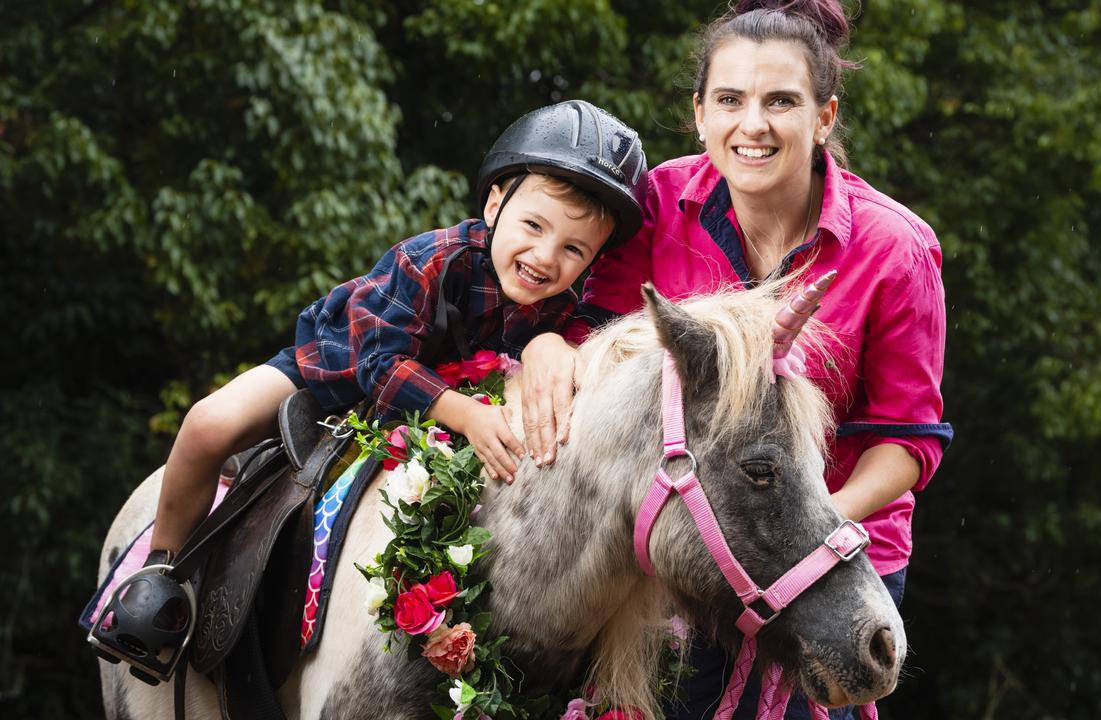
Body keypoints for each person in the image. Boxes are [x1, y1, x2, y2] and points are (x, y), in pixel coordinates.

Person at [517, 3, 950, 719]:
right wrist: (542, 347)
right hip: (674, 556)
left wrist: (801, 532)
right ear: (699, 114)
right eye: (730, 100)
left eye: (781, 101)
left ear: (824, 116)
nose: (753, 125)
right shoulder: (657, 201)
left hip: (831, 556)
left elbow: (908, 441)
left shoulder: (896, 249)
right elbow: (594, 333)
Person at [146, 99, 648, 571]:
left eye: (573, 250)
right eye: (534, 225)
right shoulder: (430, 259)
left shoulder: (557, 310)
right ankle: (159, 572)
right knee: (209, 423)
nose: (545, 257)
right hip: (334, 374)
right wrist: (469, 413)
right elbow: (378, 366)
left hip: (431, 432)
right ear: (495, 205)